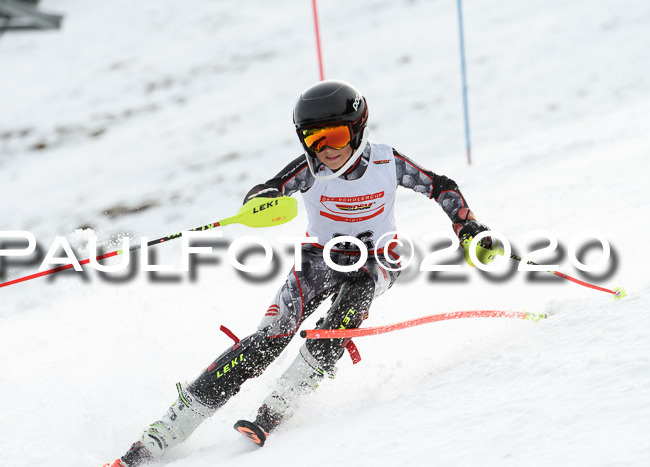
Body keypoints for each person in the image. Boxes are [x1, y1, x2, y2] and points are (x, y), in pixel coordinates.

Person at [103, 79, 493, 466]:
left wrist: (467, 227)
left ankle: (283, 401)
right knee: (267, 341)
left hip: (377, 258)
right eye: (314, 140)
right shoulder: (309, 172)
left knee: (355, 296)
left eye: (336, 137)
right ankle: (162, 434)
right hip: (318, 258)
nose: (327, 151)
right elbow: (268, 188)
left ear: (358, 128)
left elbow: (441, 186)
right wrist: (260, 201)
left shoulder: (386, 162)